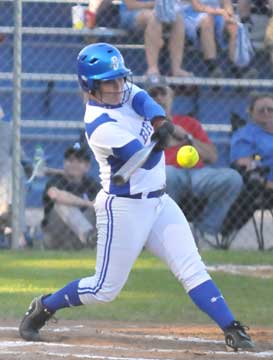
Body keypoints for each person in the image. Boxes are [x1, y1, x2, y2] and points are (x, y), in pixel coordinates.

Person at [19, 42, 254, 352]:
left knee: (191, 267)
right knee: (105, 289)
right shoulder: (100, 125)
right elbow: (142, 157)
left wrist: (160, 123)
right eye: (109, 82)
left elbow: (144, 100)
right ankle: (45, 306)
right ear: (90, 86)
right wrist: (161, 142)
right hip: (124, 208)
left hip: (158, 201)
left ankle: (232, 328)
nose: (118, 86)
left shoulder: (124, 88)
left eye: (119, 79)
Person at [147, 84, 243, 246]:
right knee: (167, 174)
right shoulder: (143, 126)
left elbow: (212, 156)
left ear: (172, 98)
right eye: (153, 94)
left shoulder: (188, 123)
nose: (159, 98)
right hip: (167, 173)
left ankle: (205, 233)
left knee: (233, 178)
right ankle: (172, 234)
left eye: (163, 93)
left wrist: (188, 137)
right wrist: (162, 144)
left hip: (199, 173)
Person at [41, 143, 100, 250]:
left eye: (79, 161)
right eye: (71, 160)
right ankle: (89, 237)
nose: (74, 164)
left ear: (87, 167)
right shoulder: (56, 179)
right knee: (62, 205)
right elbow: (55, 195)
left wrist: (96, 205)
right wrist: (88, 203)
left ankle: (110, 240)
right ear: (64, 163)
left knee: (104, 205)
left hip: (79, 240)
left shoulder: (90, 183)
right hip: (57, 237)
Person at [119, 0, 193, 82]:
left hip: (158, 12)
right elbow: (130, 5)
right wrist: (154, 5)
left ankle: (176, 69)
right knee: (155, 17)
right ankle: (152, 69)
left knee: (178, 18)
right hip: (132, 13)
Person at [179, 0, 239, 77]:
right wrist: (220, 12)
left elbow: (227, 4)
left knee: (233, 25)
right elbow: (197, 7)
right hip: (192, 13)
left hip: (217, 13)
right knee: (207, 20)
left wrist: (229, 16)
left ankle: (237, 67)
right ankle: (213, 67)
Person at [0, 104, 28, 248]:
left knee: (15, 166)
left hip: (4, 179)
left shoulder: (5, 129)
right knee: (12, 164)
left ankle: (6, 212)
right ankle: (16, 230)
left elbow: (22, 157)